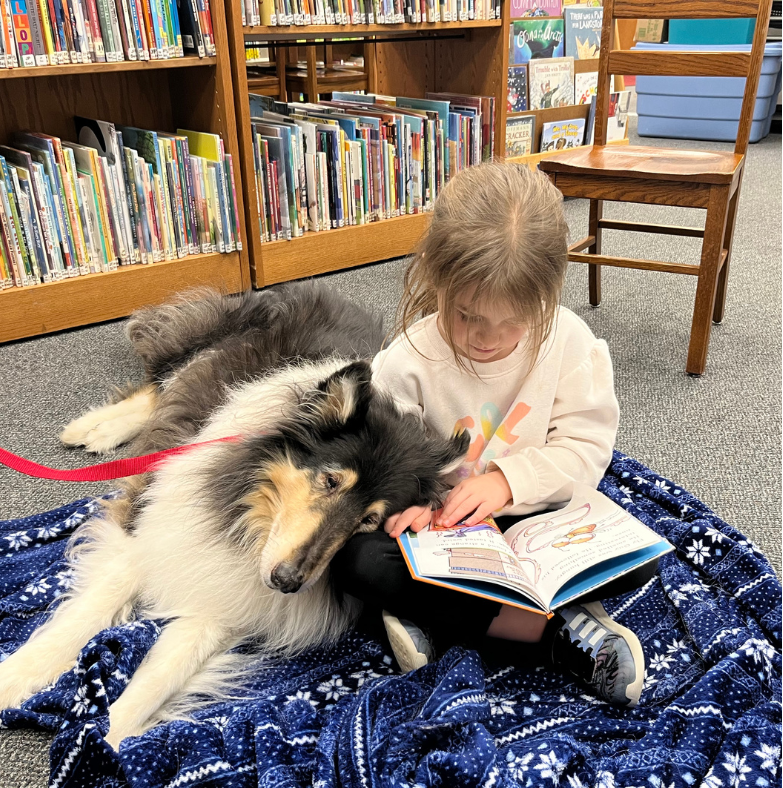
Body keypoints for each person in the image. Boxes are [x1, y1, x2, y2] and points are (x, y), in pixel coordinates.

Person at [331, 161, 656, 707]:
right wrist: (410, 505)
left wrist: (507, 482)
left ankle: (440, 618)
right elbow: (378, 460)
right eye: (466, 316)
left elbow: (585, 449)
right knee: (356, 562)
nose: (488, 339)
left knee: (639, 560)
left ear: (548, 298)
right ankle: (558, 635)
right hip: (445, 534)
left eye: (515, 322)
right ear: (436, 279)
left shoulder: (571, 343)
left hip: (532, 515)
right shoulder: (406, 362)